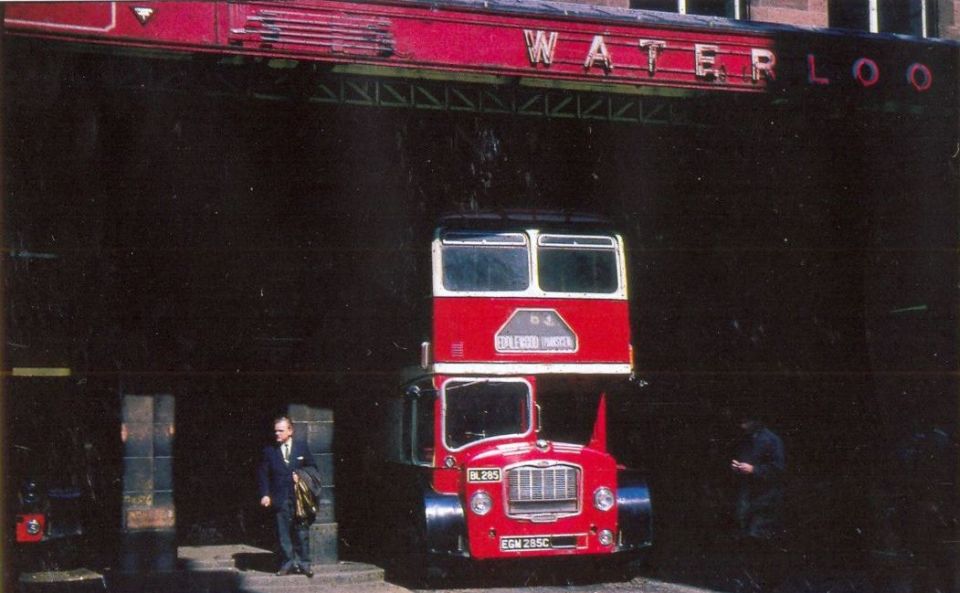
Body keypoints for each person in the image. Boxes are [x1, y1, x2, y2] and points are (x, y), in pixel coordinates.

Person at [730, 414, 785, 592]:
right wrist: (738, 467)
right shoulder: (746, 440)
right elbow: (745, 464)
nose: (742, 425)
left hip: (766, 497)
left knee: (760, 539)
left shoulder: (772, 440)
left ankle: (768, 583)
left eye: (746, 421)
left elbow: (778, 469)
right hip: (748, 497)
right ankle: (752, 581)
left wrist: (754, 470)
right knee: (747, 538)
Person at [258, 416, 317, 577]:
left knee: (302, 531)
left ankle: (305, 564)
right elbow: (263, 474)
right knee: (282, 533)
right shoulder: (269, 451)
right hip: (279, 498)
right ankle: (286, 563)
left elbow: (313, 468)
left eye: (281, 430)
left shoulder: (301, 448)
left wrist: (301, 475)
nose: (277, 433)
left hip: (298, 499)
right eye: (275, 430)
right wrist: (265, 494)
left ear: (290, 431)